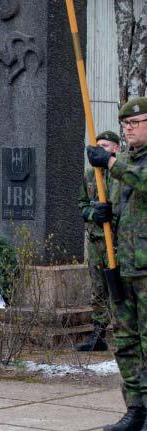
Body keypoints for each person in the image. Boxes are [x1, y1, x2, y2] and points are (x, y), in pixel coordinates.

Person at [87, 97, 147, 431]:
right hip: (122, 265)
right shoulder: (123, 162)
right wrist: (104, 214)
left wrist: (110, 162)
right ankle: (135, 409)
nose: (129, 128)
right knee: (125, 343)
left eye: (135, 123)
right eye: (126, 124)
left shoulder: (122, 165)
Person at [75, 131, 119, 352]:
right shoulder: (89, 175)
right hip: (96, 242)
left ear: (115, 149)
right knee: (98, 289)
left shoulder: (120, 174)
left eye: (105, 145)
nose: (100, 148)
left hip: (118, 243)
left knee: (119, 290)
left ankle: (123, 334)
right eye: (98, 145)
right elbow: (82, 204)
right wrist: (93, 215)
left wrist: (113, 214)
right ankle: (98, 334)